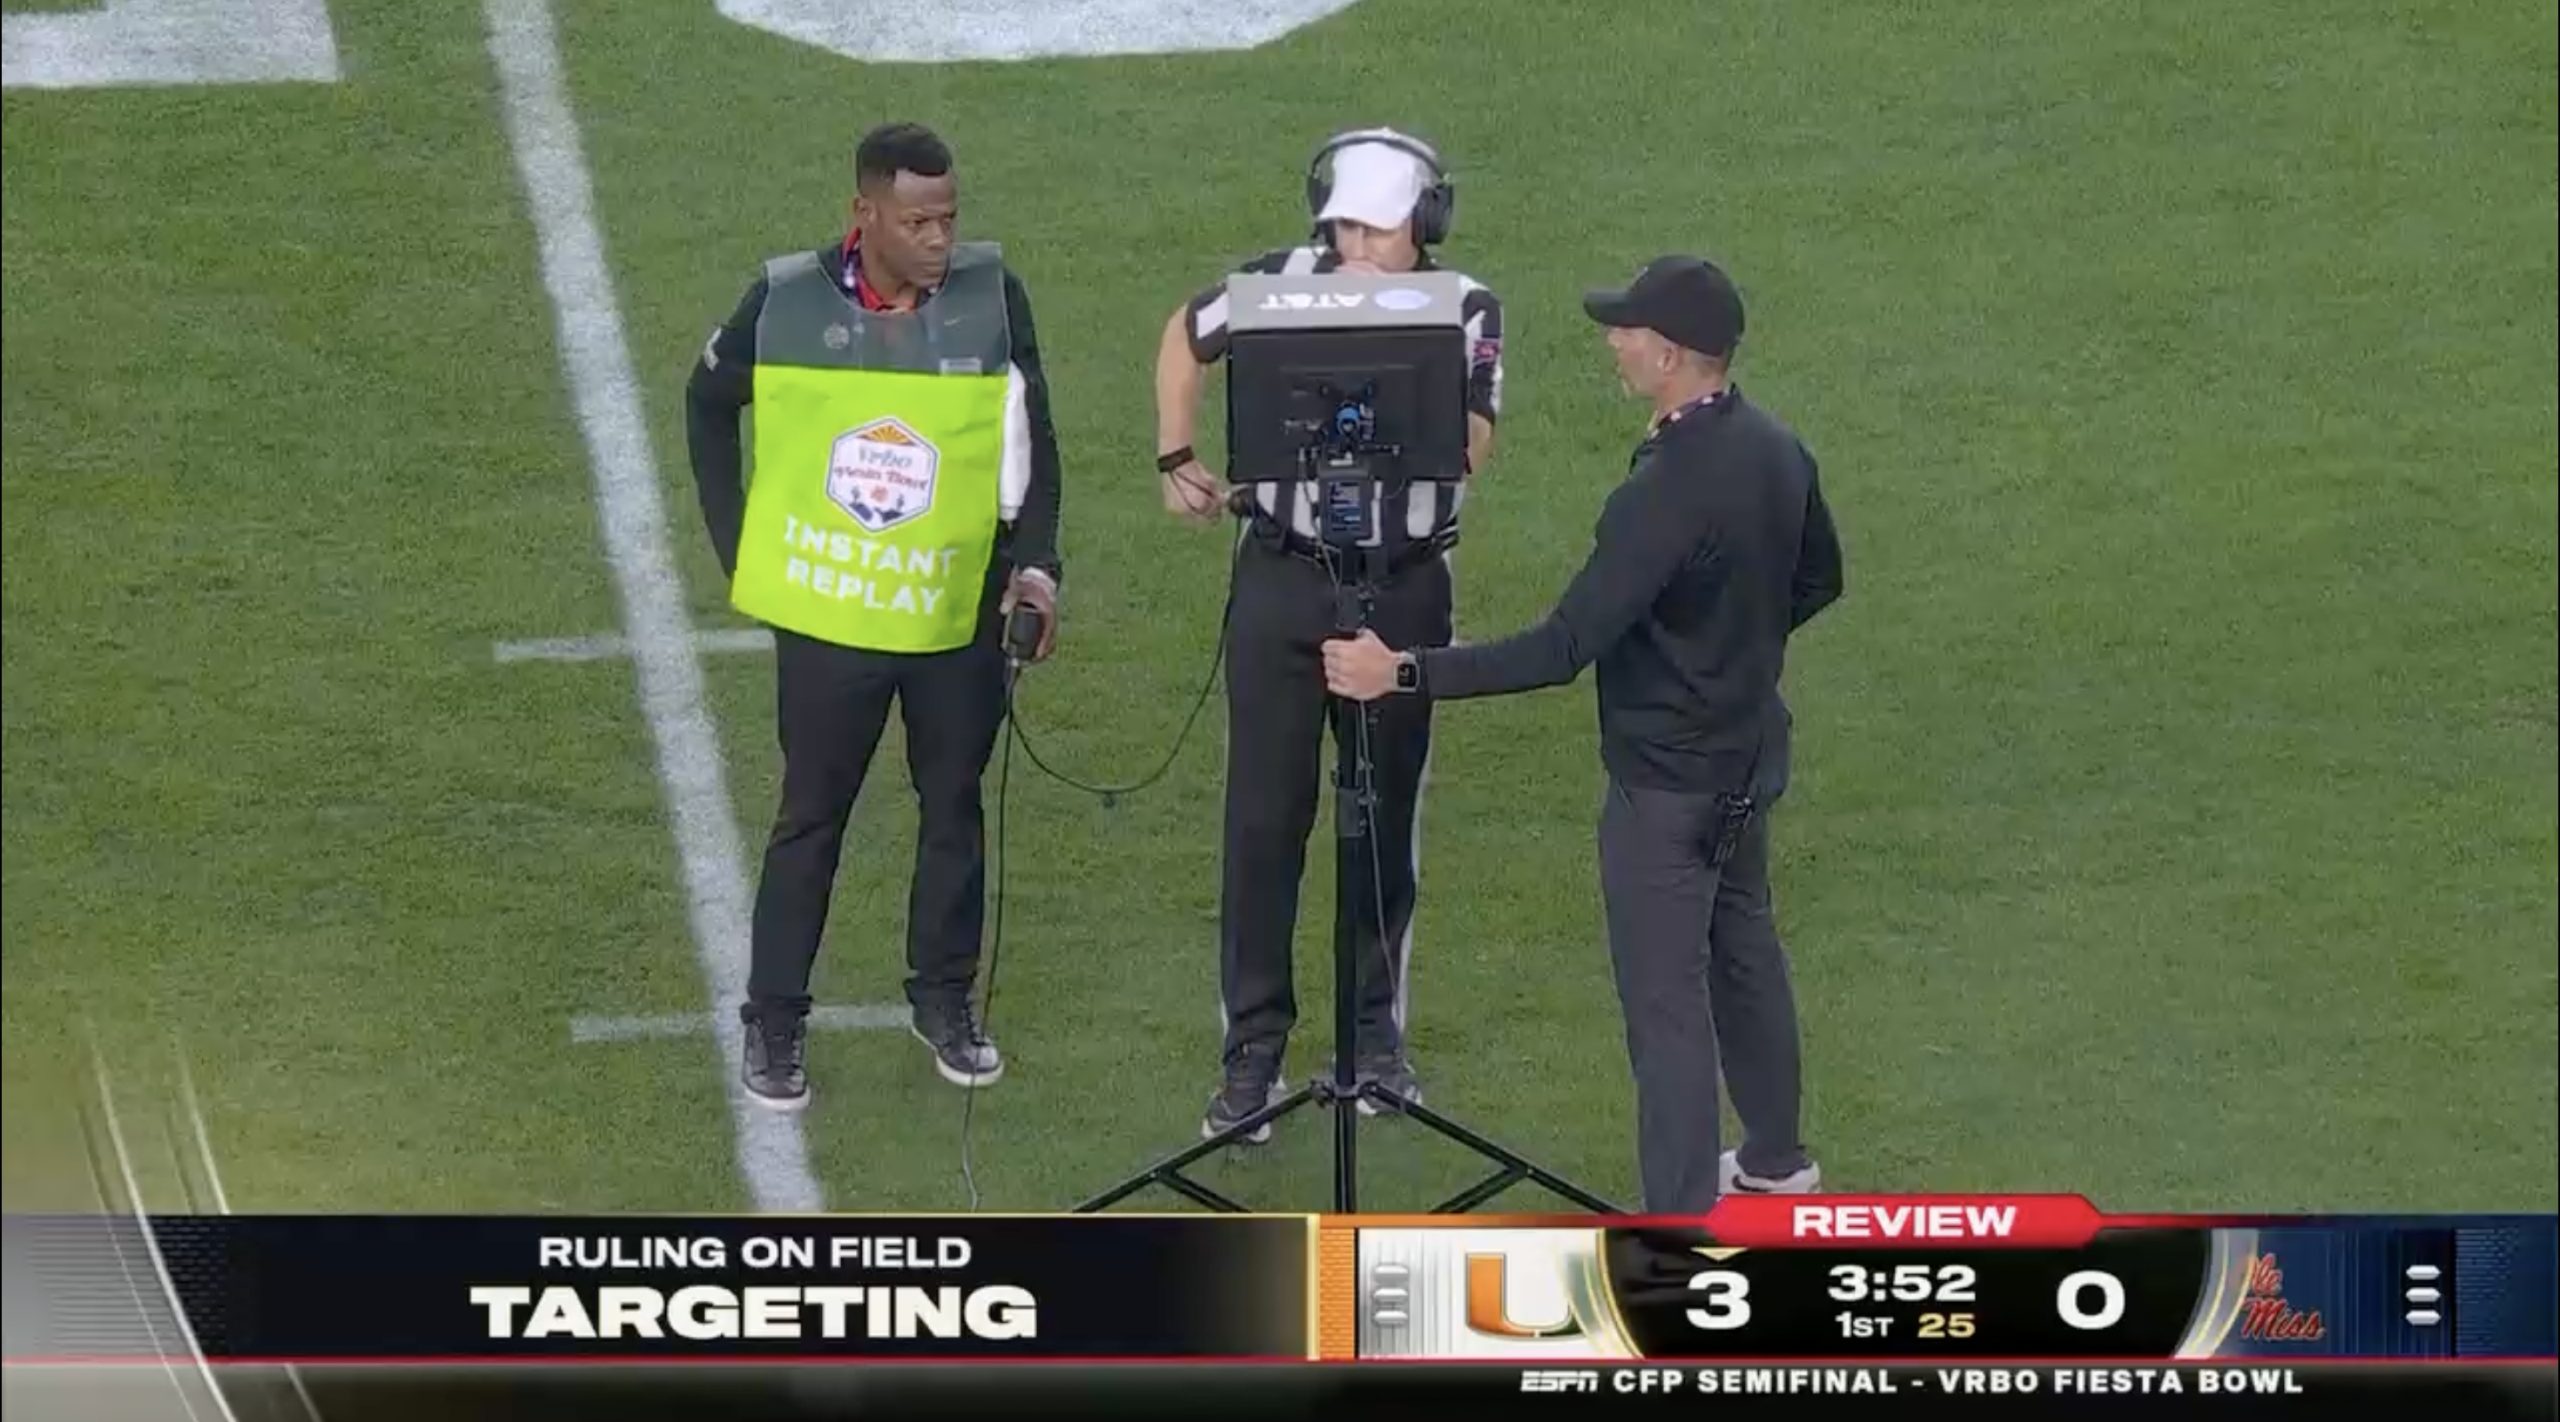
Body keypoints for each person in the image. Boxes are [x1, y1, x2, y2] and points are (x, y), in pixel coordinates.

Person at [1323, 255, 1844, 1210]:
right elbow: (1817, 581)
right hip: (1747, 757)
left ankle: (1680, 1228)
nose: (1614, 342)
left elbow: (1562, 646)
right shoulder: (1779, 449)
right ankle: (1777, 1161)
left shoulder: (1660, 495)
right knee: (1745, 950)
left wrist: (1400, 670)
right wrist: (1726, 650)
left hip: (1666, 788)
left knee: (1667, 1006)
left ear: (1674, 354)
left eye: (1628, 330)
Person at [685, 121, 1064, 1110]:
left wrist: (1037, 571)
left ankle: (941, 997)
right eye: (916, 220)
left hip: (953, 612)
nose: (939, 237)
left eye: (948, 217)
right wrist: (742, 551)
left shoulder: (991, 295)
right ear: (863, 215)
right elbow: (705, 402)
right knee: (810, 817)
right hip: (831, 619)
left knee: (954, 806)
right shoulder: (786, 301)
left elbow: (1037, 439)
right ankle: (774, 1019)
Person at [1154, 127, 1505, 1143]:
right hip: (1280, 580)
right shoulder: (1276, 283)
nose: (1356, 244)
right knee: (1263, 823)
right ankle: (1250, 1058)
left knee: (1383, 815)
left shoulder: (1467, 306)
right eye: (1344, 222)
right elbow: (1186, 334)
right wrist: (1174, 450)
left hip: (1398, 588)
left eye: (1379, 229)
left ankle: (1374, 1038)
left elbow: (1473, 444)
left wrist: (1376, 387)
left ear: (1425, 227)